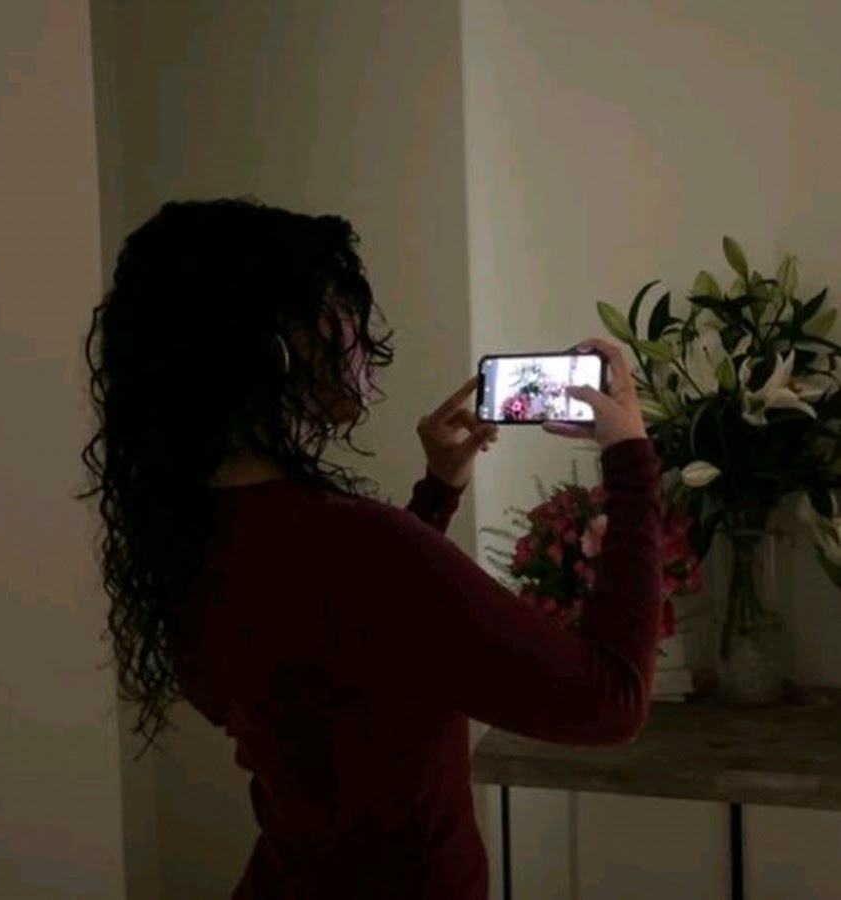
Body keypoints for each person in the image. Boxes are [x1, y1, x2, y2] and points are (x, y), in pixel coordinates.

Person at [76, 197, 662, 900]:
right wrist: (632, 461)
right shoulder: (358, 546)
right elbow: (609, 701)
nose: (363, 335)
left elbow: (351, 656)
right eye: (340, 310)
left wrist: (437, 493)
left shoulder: (192, 533)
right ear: (277, 349)